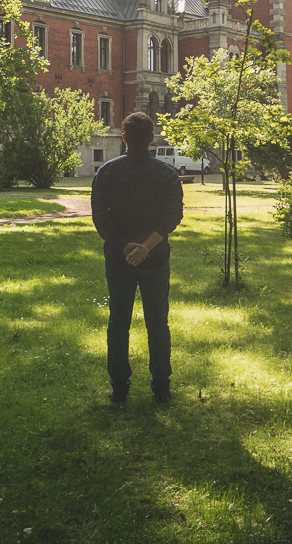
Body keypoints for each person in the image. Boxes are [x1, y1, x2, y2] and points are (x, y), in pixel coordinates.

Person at [91, 112, 184, 404]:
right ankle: (161, 388)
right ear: (152, 139)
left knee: (118, 322)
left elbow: (100, 217)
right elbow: (173, 215)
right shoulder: (167, 173)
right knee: (158, 323)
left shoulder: (105, 172)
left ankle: (119, 388)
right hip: (155, 258)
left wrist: (124, 246)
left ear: (124, 138)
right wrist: (146, 246)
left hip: (120, 260)